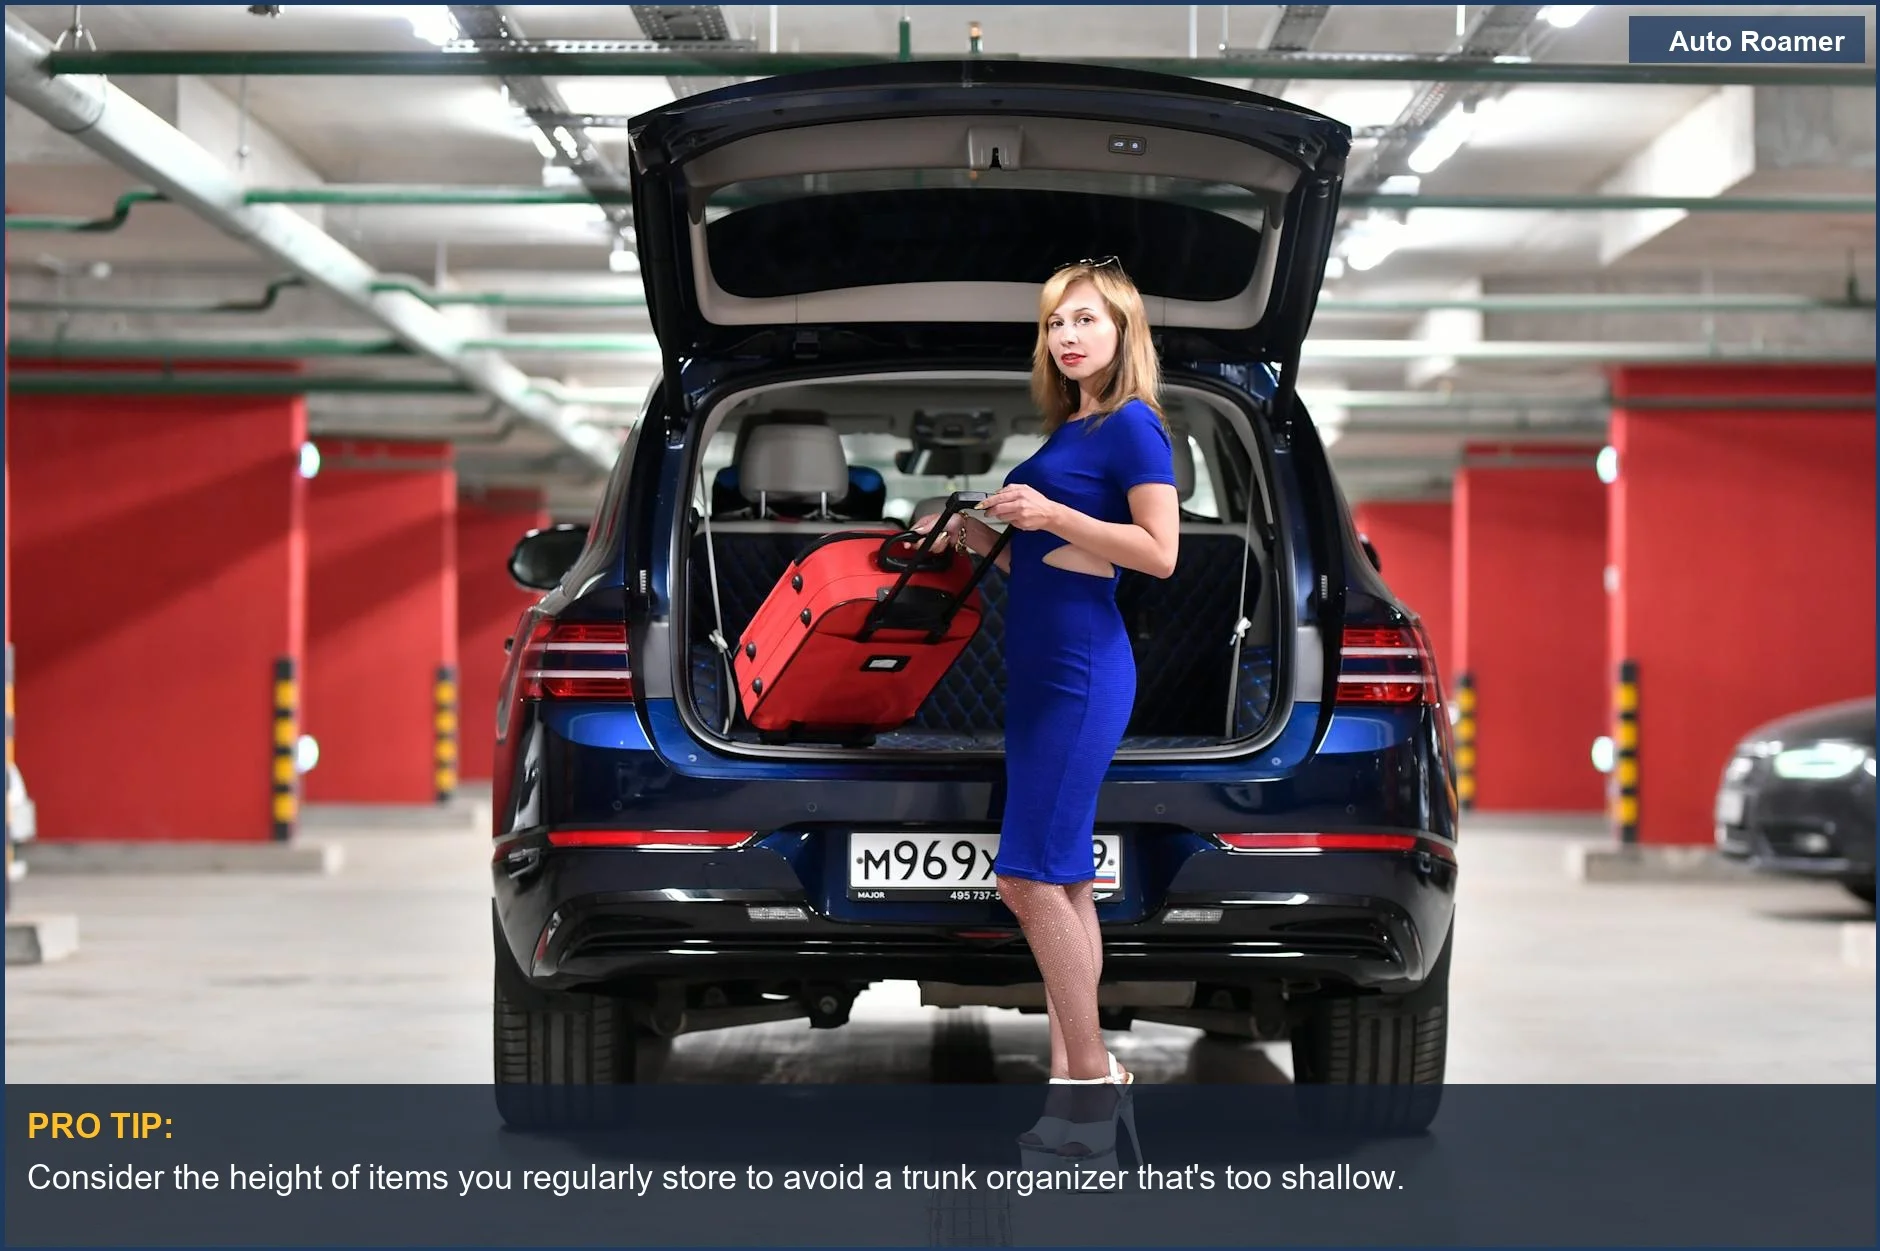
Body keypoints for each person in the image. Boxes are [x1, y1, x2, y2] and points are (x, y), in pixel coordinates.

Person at [913, 257, 1179, 1157]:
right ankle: (1077, 1098)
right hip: (1037, 674)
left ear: (1123, 332)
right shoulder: (1073, 428)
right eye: (1057, 322)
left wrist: (1052, 515)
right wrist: (975, 526)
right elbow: (1035, 535)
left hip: (1081, 667)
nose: (1068, 335)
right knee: (1064, 876)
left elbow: (1158, 551)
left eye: (1087, 320)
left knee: (1023, 878)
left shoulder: (1135, 427)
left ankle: (1092, 1085)